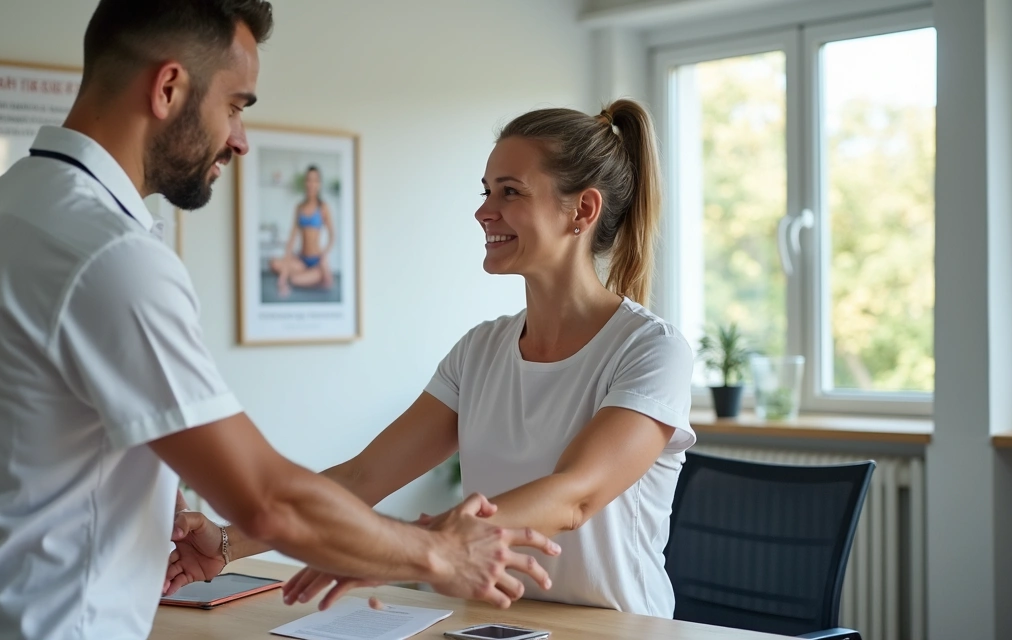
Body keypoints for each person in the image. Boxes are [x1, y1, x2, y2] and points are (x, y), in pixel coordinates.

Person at [0, 2, 557, 638]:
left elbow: (29, 444)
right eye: (236, 105)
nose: (240, 140)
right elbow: (267, 499)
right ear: (168, 86)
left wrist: (148, 505)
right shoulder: (110, 254)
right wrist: (437, 553)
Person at [164, 98, 696, 617]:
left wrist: (401, 549)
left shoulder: (650, 350)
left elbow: (573, 498)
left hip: (619, 629)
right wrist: (227, 543)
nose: (484, 211)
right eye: (486, 190)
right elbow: (362, 478)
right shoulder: (480, 350)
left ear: (582, 209)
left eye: (510, 192)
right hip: (491, 624)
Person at [269, 165, 335, 297]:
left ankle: (316, 276)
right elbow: (292, 238)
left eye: (315, 180)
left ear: (319, 184)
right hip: (302, 260)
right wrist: (285, 266)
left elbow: (332, 235)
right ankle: (305, 276)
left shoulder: (323, 207)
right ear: (305, 182)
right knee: (274, 263)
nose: (311, 184)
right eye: (308, 180)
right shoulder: (299, 207)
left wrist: (324, 255)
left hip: (316, 261)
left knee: (294, 280)